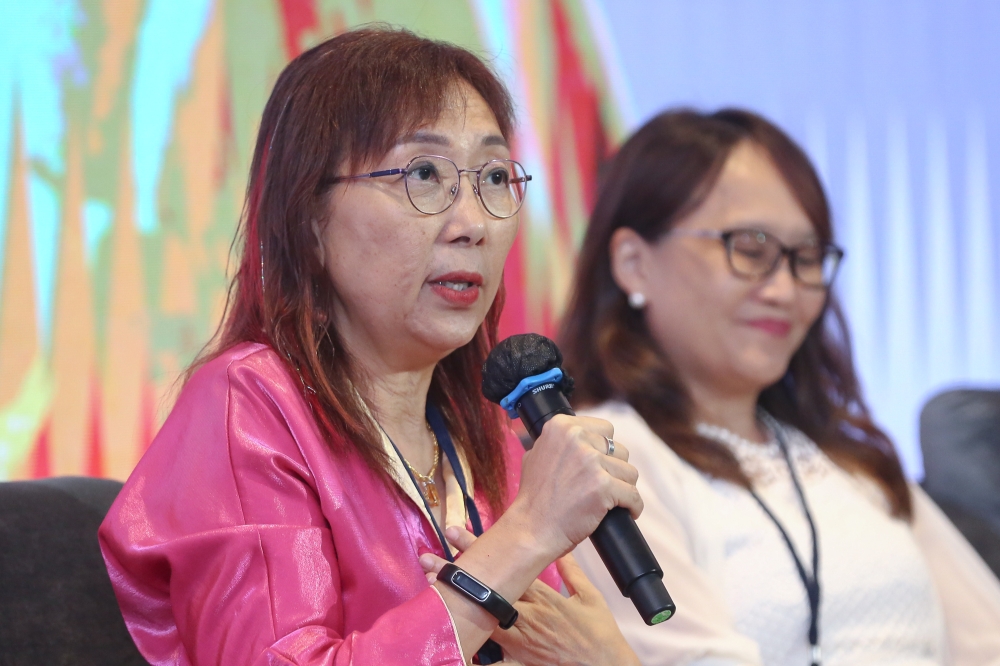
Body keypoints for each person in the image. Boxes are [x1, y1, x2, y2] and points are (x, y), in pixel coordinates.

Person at [98, 28, 643, 666]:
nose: (472, 225)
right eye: (423, 174)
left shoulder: (484, 434)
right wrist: (528, 533)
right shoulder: (247, 408)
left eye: (494, 177)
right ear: (310, 220)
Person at [559, 108, 1000, 665]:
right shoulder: (605, 455)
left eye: (806, 258)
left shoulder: (851, 459)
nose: (785, 289)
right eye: (750, 248)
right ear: (633, 262)